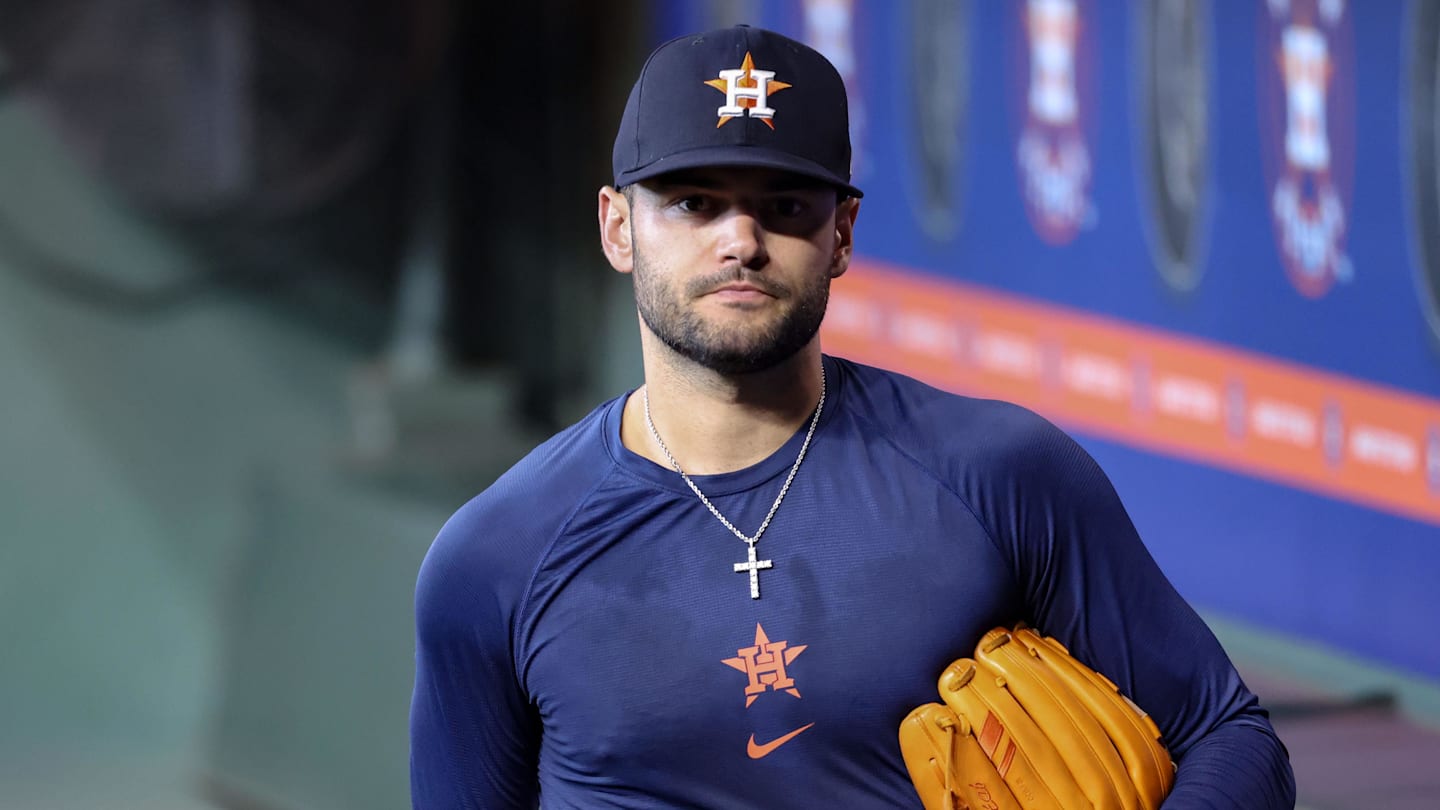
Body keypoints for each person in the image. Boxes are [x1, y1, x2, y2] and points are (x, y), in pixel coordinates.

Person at [409, 24, 1296, 809]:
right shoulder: (499, 557)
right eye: (694, 202)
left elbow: (1231, 736)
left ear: (842, 234)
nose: (740, 240)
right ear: (617, 228)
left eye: (785, 205)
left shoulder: (995, 472)